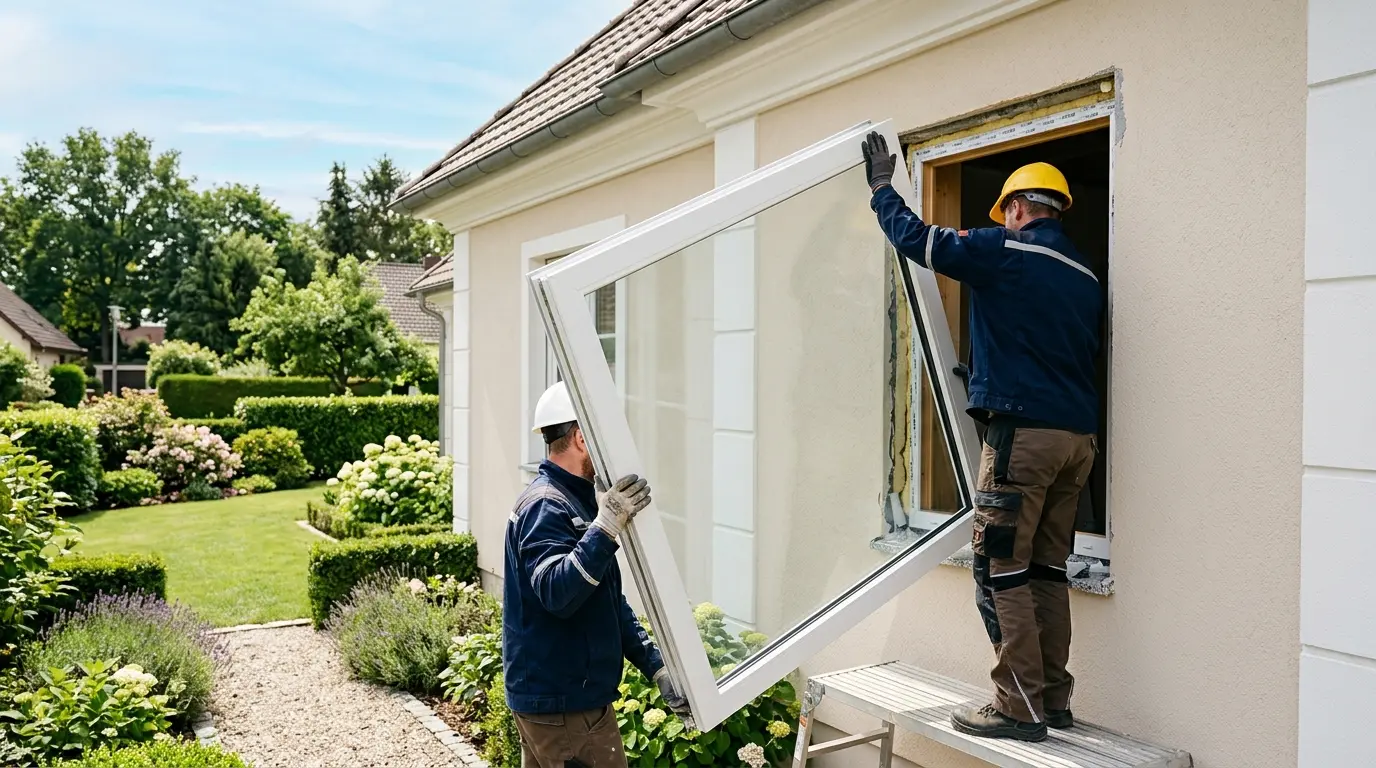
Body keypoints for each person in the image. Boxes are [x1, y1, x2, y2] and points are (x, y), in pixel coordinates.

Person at [861, 132, 1101, 743]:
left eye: (1005, 213)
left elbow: (918, 240)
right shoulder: (1084, 275)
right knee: (1047, 569)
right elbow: (1040, 345)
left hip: (1023, 440)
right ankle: (1053, 697)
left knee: (1001, 567)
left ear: (1017, 208)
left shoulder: (1007, 251)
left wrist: (882, 189)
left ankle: (1018, 707)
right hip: (1077, 444)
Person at [503, 381, 687, 767]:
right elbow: (558, 592)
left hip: (559, 704)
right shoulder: (546, 506)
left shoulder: (573, 499)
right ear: (583, 438)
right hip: (567, 710)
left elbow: (603, 599)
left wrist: (655, 666)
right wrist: (605, 527)